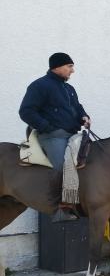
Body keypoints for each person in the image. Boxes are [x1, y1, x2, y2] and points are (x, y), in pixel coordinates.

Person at [19, 52, 91, 221]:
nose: (72, 71)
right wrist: (48, 128)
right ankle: (61, 208)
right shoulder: (39, 86)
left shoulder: (69, 88)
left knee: (90, 159)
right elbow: (26, 111)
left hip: (72, 134)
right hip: (52, 136)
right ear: (57, 67)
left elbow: (77, 107)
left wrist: (84, 116)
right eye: (69, 66)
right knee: (62, 166)